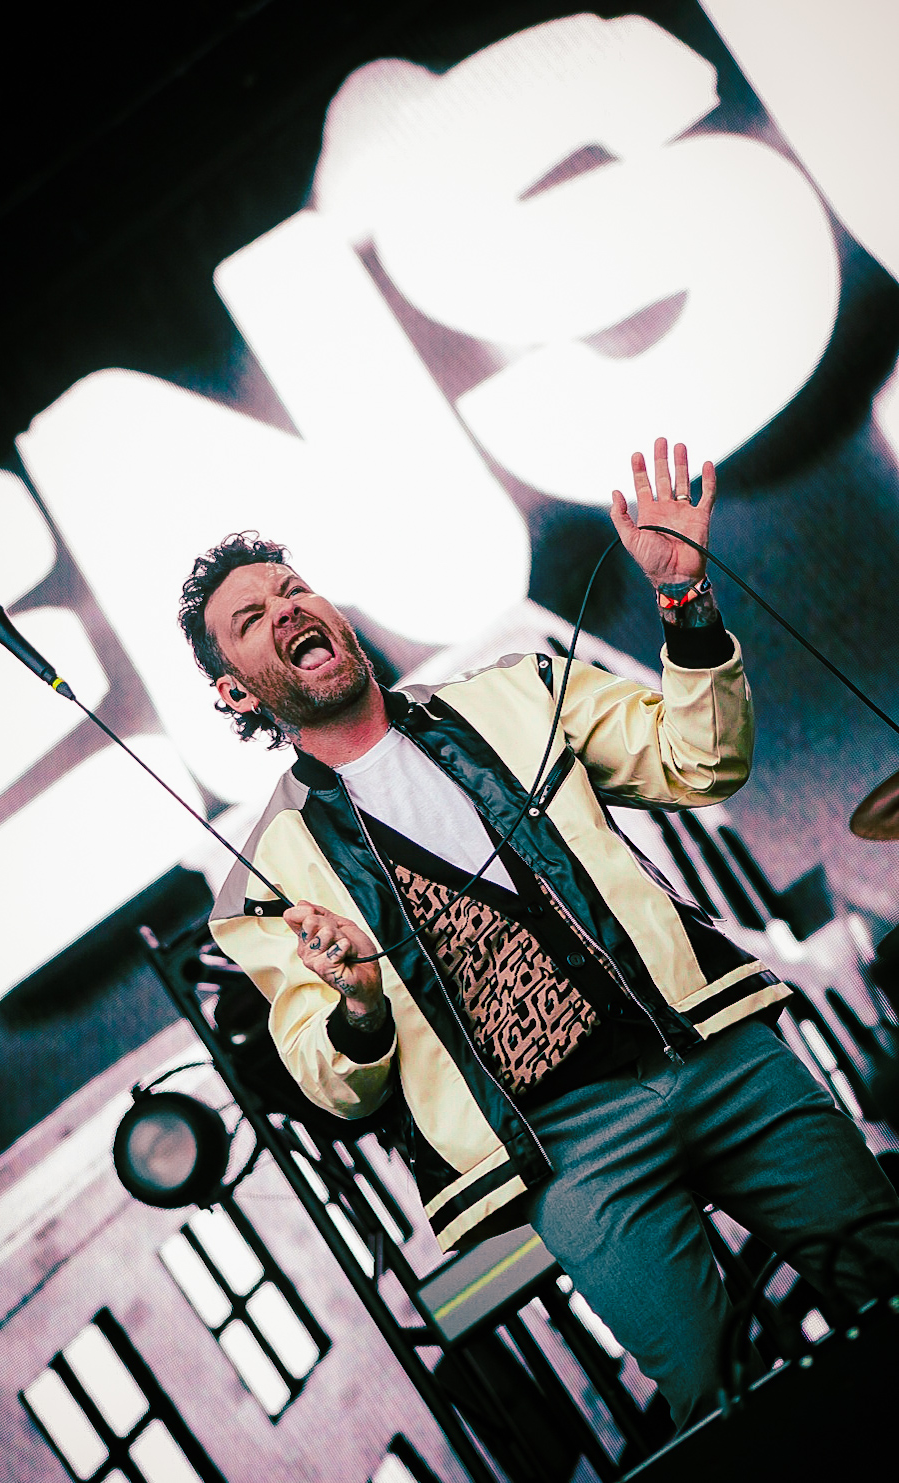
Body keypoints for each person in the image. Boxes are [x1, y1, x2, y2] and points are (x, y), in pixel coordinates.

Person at [179, 438, 899, 1430]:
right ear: (235, 692)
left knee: (885, 1270)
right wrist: (357, 1005)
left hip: (711, 1052)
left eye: (292, 588)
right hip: (567, 1153)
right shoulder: (264, 879)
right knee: (717, 1399)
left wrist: (682, 598)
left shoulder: (516, 693)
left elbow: (701, 760)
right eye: (251, 619)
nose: (287, 608)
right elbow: (332, 1078)